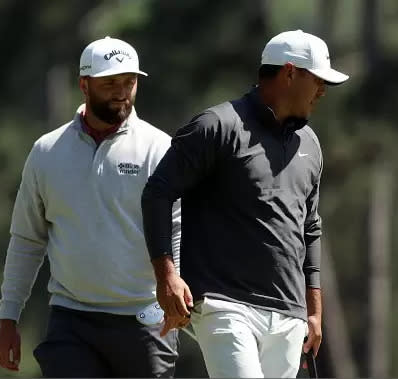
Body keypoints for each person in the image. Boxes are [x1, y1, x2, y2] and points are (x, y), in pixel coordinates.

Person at [141, 29, 349, 378]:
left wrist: (313, 309)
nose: (322, 90)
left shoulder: (310, 144)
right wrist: (167, 278)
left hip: (288, 312)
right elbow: (157, 193)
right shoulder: (217, 126)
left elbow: (310, 227)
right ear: (289, 73)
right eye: (317, 80)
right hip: (225, 304)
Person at [0, 36, 181, 378]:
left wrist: (174, 295)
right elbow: (27, 240)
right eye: (110, 83)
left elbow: (178, 230)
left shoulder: (159, 148)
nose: (122, 91)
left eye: (129, 82)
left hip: (145, 319)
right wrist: (9, 316)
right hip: (72, 319)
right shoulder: (47, 151)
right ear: (84, 85)